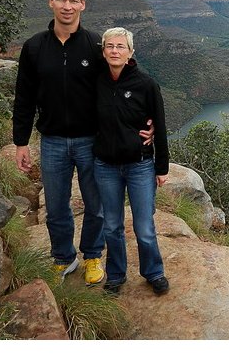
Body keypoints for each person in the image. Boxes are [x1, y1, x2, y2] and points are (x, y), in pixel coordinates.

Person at [12, 0, 153, 285]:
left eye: (73, 0)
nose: (67, 5)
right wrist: (20, 142)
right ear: (50, 1)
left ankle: (92, 256)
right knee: (57, 204)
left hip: (92, 140)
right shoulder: (34, 47)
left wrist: (148, 120)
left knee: (96, 204)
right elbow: (24, 97)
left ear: (83, 5)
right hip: (51, 141)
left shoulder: (93, 45)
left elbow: (125, 80)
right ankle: (63, 258)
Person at [93, 27, 170, 296]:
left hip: (139, 165)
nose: (115, 51)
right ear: (102, 51)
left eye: (121, 47)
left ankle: (154, 272)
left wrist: (162, 167)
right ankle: (116, 275)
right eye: (110, 46)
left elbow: (159, 125)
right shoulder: (95, 81)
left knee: (143, 225)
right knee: (112, 225)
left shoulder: (146, 84)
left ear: (131, 53)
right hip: (105, 165)